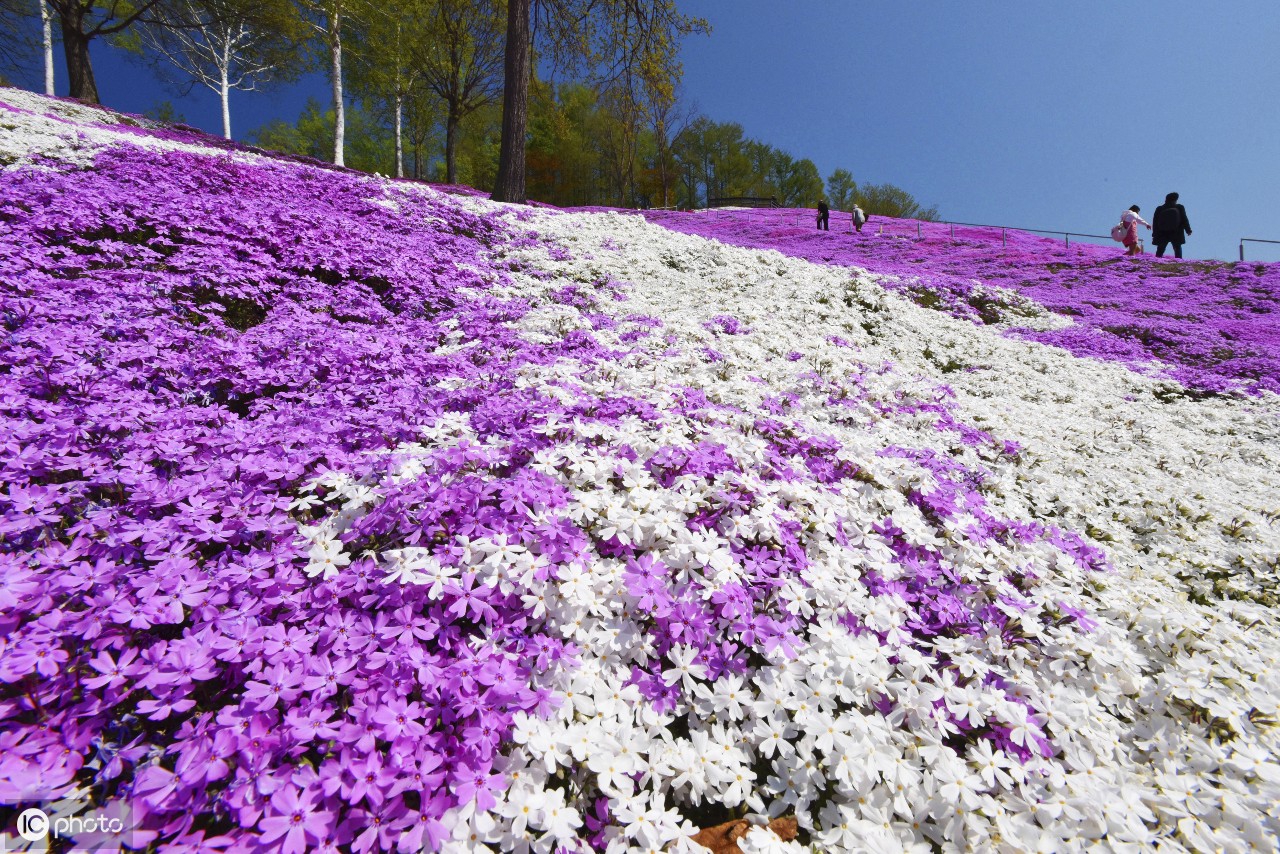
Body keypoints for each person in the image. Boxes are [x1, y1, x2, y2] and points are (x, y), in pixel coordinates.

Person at [1152, 192, 1192, 258]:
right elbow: (1184, 219)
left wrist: (1154, 233)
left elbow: (1155, 222)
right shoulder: (1179, 207)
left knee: (1160, 248)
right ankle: (1179, 261)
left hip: (1162, 232)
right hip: (1176, 231)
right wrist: (1188, 230)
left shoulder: (1159, 208)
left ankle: (1157, 260)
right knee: (1177, 247)